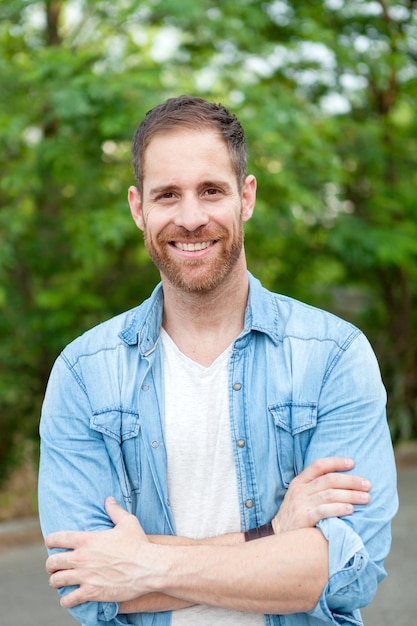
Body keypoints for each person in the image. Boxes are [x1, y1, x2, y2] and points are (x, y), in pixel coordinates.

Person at [38, 95, 398, 626]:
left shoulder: (333, 356)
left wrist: (141, 566)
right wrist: (273, 537)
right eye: (168, 195)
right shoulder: (84, 374)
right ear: (138, 208)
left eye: (211, 191)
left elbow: (342, 572)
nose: (190, 217)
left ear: (245, 197)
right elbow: (88, 583)